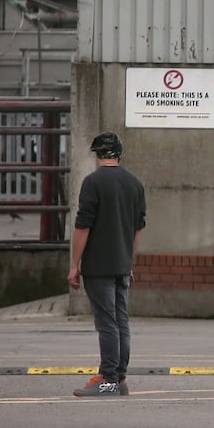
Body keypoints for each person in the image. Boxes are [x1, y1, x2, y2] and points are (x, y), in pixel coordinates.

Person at [68, 132, 146, 397]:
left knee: (106, 324)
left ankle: (109, 379)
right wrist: (128, 260)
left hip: (98, 266)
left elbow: (83, 226)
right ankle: (120, 378)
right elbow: (138, 228)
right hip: (122, 264)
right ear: (118, 154)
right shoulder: (135, 183)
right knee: (121, 321)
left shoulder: (92, 182)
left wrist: (74, 263)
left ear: (97, 155)